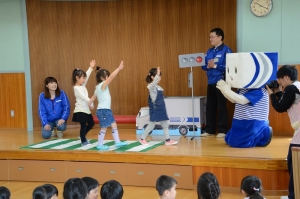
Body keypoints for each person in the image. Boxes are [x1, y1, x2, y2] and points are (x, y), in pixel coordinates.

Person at [266, 65, 300, 199]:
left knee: (294, 163)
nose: (279, 82)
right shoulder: (297, 87)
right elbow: (287, 104)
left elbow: (280, 107)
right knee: (293, 162)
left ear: (286, 77)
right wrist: (279, 92)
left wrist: (271, 94)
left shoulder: (291, 88)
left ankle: (293, 196)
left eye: (280, 79)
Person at [88, 61, 128, 150]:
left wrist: (89, 104)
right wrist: (119, 68)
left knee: (114, 124)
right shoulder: (103, 85)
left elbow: (93, 98)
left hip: (105, 110)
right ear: (102, 78)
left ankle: (117, 142)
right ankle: (100, 144)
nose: (108, 78)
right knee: (104, 128)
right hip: (103, 111)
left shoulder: (97, 88)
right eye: (107, 76)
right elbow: (112, 77)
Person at [201, 28, 233, 138]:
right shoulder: (209, 51)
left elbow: (230, 67)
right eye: (210, 37)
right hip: (210, 81)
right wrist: (207, 66)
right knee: (210, 107)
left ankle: (222, 130)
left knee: (221, 106)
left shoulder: (226, 50)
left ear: (220, 37)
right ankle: (209, 130)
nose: (210, 39)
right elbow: (203, 65)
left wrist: (215, 66)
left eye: (212, 36)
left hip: (221, 82)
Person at [138, 67, 178, 146]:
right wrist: (157, 75)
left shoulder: (159, 87)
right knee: (151, 125)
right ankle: (142, 139)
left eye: (160, 76)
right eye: (157, 76)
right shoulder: (151, 87)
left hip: (161, 109)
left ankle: (168, 140)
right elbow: (153, 84)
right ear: (152, 77)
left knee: (165, 124)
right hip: (155, 110)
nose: (159, 78)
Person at [72, 60, 96, 146]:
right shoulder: (76, 88)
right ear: (77, 78)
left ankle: (82, 136)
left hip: (85, 109)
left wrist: (91, 68)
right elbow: (85, 98)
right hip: (80, 110)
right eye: (83, 78)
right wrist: (91, 103)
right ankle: (83, 141)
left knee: (91, 123)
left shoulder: (82, 86)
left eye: (84, 78)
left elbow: (87, 76)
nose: (84, 79)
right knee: (83, 125)